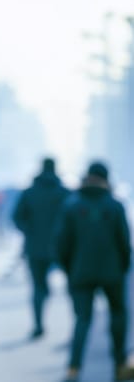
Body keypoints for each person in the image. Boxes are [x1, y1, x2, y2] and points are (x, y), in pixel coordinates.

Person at [56, 162, 134, 382]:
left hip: (80, 272)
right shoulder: (115, 206)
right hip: (112, 272)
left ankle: (73, 367)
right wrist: (123, 267)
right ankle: (119, 364)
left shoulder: (71, 205)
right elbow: (125, 243)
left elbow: (61, 243)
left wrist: (70, 269)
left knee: (82, 320)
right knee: (118, 316)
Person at [12, 157, 70, 340]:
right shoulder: (64, 193)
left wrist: (29, 231)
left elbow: (16, 217)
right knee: (73, 288)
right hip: (62, 248)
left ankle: (38, 325)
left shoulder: (30, 193)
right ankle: (76, 325)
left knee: (38, 288)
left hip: (35, 247)